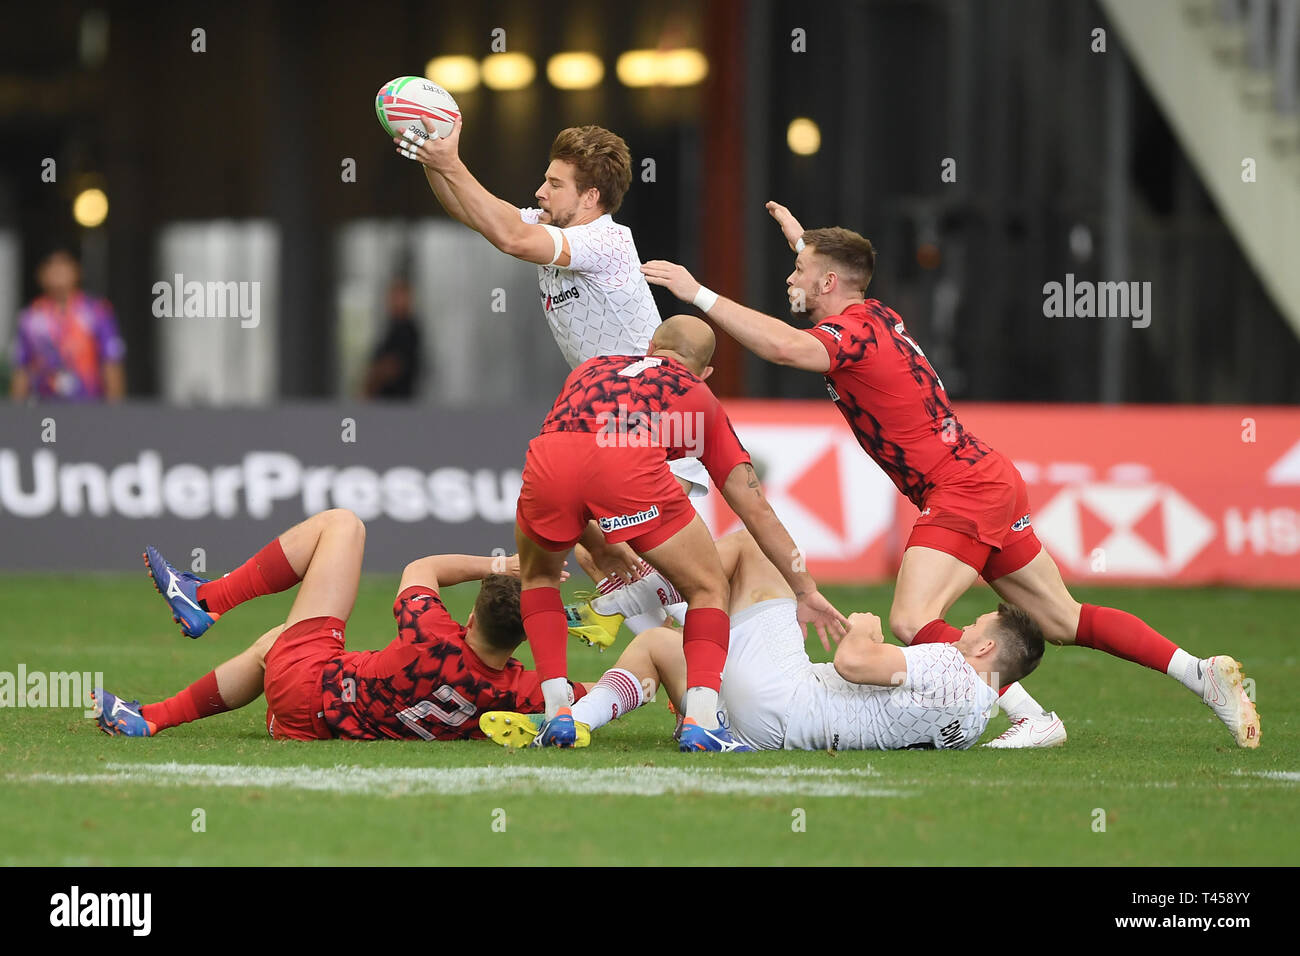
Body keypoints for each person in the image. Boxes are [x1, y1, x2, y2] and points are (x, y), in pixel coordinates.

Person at [639, 204, 1260, 750]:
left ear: (827, 282)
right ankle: (1198, 673)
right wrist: (803, 241)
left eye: (798, 272)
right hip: (985, 476)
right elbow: (832, 284)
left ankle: (1030, 714)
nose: (789, 280)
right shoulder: (871, 312)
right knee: (1062, 621)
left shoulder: (850, 332)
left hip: (962, 490)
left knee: (911, 620)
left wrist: (699, 294)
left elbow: (782, 347)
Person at [396, 117, 707, 611]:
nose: (540, 191)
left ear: (590, 199)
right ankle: (664, 665)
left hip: (652, 423)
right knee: (608, 560)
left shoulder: (606, 241)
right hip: (612, 424)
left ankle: (711, 666)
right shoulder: (554, 227)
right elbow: (476, 215)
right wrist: (433, 159)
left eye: (554, 184)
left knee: (669, 583)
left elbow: (510, 239)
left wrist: (450, 162)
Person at [511, 314, 846, 752]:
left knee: (538, 579)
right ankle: (702, 721)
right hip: (626, 465)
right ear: (705, 371)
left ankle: (559, 712)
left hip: (548, 457)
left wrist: (597, 542)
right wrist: (804, 589)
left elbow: (577, 451)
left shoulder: (590, 368)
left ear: (651, 348)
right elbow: (753, 507)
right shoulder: (697, 394)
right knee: (707, 586)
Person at [483, 528, 1044, 752]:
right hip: (764, 734)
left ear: (986, 650)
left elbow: (851, 661)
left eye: (977, 629)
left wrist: (866, 624)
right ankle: (576, 721)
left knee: (756, 546)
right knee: (656, 646)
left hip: (786, 695)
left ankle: (628, 599)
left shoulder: (951, 666)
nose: (965, 629)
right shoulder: (970, 725)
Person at [92, 509, 584, 741]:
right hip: (318, 728)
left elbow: (421, 569)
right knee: (273, 642)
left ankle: (207, 598)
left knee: (344, 526)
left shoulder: (432, 634)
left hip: (312, 684)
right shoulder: (524, 692)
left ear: (472, 616)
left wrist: (502, 566)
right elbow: (610, 690)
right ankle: (151, 715)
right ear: (526, 637)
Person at [10, 248, 125, 401]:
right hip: (43, 410)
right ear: (41, 274)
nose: (58, 270)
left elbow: (111, 363)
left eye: (64, 264)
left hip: (88, 408)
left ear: (77, 271)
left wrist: (115, 413)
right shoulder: (29, 318)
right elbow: (21, 369)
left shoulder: (97, 312)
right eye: (51, 265)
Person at [362, 276, 422, 399]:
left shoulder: (407, 330)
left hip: (397, 402)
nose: (395, 301)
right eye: (393, 296)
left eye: (400, 296)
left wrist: (374, 381)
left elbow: (393, 366)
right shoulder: (392, 327)